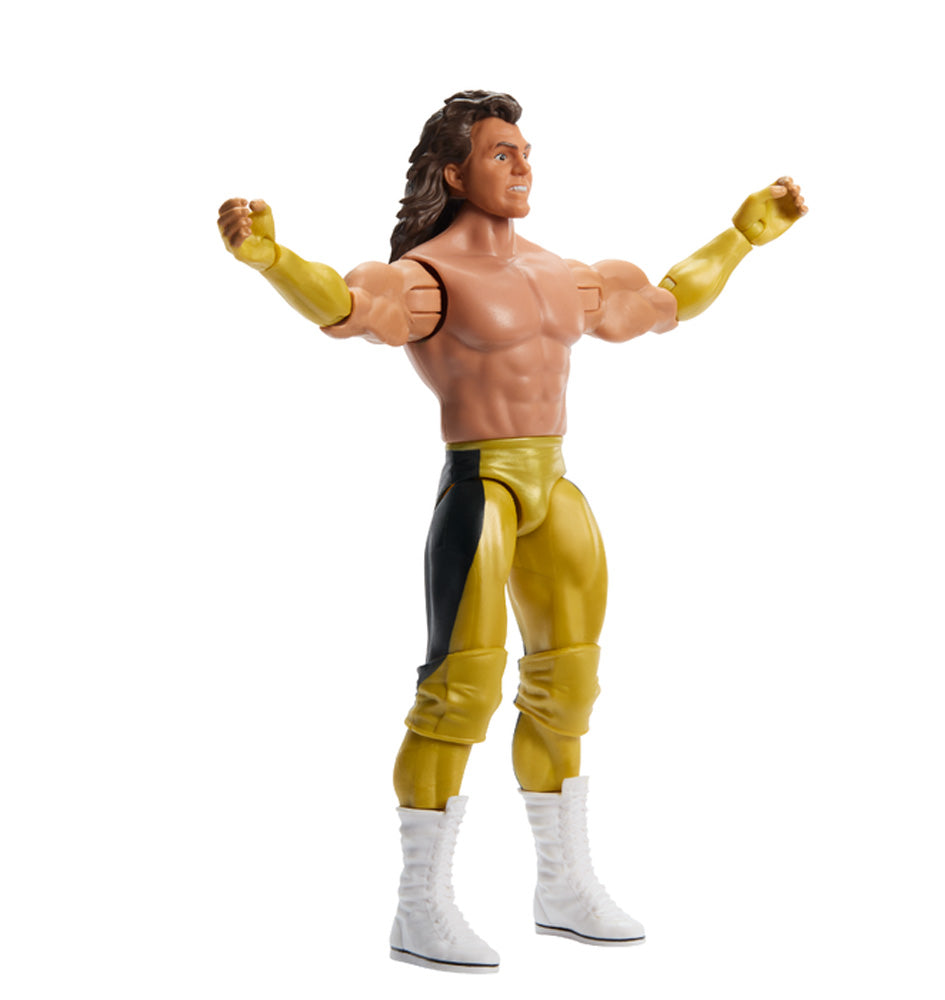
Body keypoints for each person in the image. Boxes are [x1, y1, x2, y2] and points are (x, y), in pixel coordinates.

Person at [217, 89, 807, 974]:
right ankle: (419, 905)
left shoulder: (561, 272)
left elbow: (662, 302)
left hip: (554, 487)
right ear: (455, 173)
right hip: (481, 485)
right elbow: (348, 306)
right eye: (502, 153)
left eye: (526, 151)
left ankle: (563, 887)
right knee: (459, 692)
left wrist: (743, 237)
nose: (523, 164)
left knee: (570, 687)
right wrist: (271, 259)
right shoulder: (427, 275)